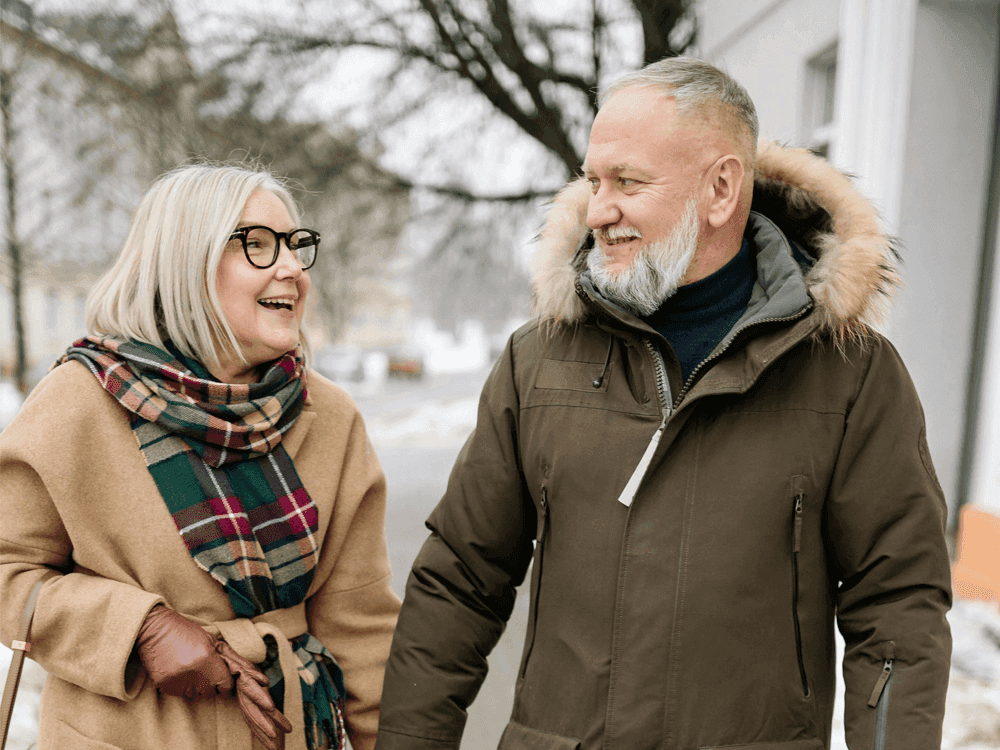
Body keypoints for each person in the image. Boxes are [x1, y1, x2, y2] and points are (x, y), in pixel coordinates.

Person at [375, 57, 952, 750]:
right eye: (593, 180)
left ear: (719, 189)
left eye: (628, 181)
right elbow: (460, 582)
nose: (598, 210)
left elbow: (897, 610)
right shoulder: (539, 360)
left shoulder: (850, 375)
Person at [0, 164, 400, 750]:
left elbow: (362, 628)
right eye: (257, 245)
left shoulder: (331, 417)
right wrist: (138, 628)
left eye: (295, 245)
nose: (290, 267)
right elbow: (8, 573)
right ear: (184, 265)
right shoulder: (76, 405)